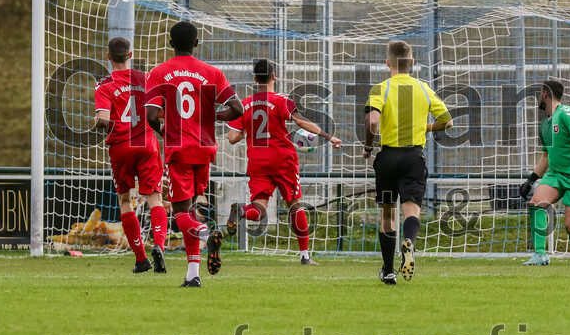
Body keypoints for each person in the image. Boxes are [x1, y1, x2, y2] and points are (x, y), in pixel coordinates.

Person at [146, 21, 244, 287]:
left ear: (170, 43)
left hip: (179, 149)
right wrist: (212, 115)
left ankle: (205, 232)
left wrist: (164, 129)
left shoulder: (159, 73)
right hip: (205, 149)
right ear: (196, 43)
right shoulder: (212, 72)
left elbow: (151, 115)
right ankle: (193, 275)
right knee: (189, 208)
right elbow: (237, 110)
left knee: (179, 214)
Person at [226, 59, 343, 265]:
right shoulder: (282, 100)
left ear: (255, 79)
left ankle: (242, 211)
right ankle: (305, 256)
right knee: (295, 205)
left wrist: (247, 129)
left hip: (257, 162)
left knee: (259, 208)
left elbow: (232, 138)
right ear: (274, 77)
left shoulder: (244, 104)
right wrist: (328, 136)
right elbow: (300, 121)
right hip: (282, 160)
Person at [364, 41, 452, 284]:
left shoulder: (380, 88)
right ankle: (409, 242)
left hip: (388, 156)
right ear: (412, 63)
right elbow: (447, 121)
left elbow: (372, 123)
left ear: (387, 63)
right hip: (414, 157)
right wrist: (426, 126)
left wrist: (368, 145)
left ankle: (388, 270)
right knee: (411, 209)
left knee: (387, 215)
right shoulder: (423, 88)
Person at [94, 37, 167, 274]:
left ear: (108, 56)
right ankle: (159, 245)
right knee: (155, 198)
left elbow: (103, 120)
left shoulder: (104, 84)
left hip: (121, 147)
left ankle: (141, 259)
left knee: (125, 201)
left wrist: (97, 122)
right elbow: (160, 112)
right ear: (131, 54)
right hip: (147, 143)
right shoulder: (146, 79)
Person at [518, 80, 570, 266]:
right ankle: (540, 254)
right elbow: (546, 156)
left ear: (546, 93)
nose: (538, 96)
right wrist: (531, 179)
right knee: (536, 203)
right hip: (555, 174)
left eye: (540, 92)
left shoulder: (566, 113)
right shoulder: (544, 125)